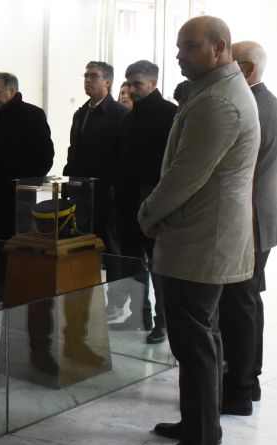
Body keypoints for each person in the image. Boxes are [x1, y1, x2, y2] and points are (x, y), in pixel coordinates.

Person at [138, 16, 260, 445]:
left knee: (195, 344)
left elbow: (184, 176)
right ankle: (198, 427)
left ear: (220, 48)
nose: (178, 55)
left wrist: (148, 212)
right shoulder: (217, 93)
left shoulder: (219, 103)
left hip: (199, 239)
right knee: (200, 340)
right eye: (178, 46)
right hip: (200, 235)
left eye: (189, 47)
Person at [219, 40, 277, 414]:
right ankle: (248, 380)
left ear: (246, 70)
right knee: (245, 302)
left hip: (250, 220)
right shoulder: (265, 102)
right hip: (256, 218)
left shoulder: (255, 107)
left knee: (239, 305)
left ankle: (240, 388)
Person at [110, 60, 178, 344]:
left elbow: (171, 165)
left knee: (158, 266)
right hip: (128, 201)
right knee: (133, 263)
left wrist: (158, 208)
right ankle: (141, 316)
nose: (131, 89)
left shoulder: (169, 115)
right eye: (128, 83)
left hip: (153, 202)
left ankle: (163, 322)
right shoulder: (129, 117)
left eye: (137, 83)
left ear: (153, 83)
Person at [0, 70, 54, 305]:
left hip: (17, 194)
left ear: (12, 91)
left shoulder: (31, 115)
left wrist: (28, 182)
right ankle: (1, 289)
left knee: (16, 245)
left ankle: (18, 290)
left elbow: (45, 154)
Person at [63, 60, 128, 249]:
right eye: (86, 76)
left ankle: (117, 280)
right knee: (81, 244)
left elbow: (122, 155)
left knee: (111, 245)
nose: (88, 80)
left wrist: (109, 183)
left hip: (107, 194)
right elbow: (73, 150)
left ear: (107, 81)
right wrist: (68, 180)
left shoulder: (120, 114)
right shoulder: (81, 114)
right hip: (80, 192)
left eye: (93, 76)